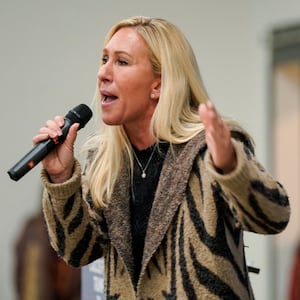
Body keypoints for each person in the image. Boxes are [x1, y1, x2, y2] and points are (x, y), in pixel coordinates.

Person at [33, 16, 290, 299]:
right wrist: (61, 178)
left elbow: (273, 218)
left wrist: (231, 168)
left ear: (158, 84)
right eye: (104, 59)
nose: (103, 73)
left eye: (121, 62)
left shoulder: (211, 147)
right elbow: (77, 251)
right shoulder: (103, 160)